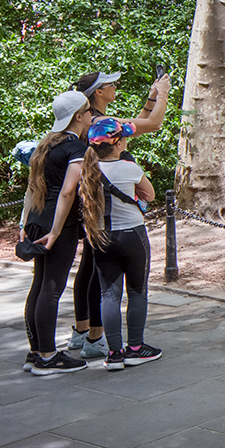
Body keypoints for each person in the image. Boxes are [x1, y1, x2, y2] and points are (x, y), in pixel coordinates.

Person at [64, 69, 171, 357]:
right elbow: (153, 123)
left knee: (92, 271)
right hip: (124, 224)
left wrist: (150, 97)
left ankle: (88, 335)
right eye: (110, 84)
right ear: (98, 92)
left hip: (98, 217)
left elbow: (139, 120)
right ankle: (107, 340)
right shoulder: (102, 123)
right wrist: (163, 93)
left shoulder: (94, 123)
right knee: (122, 287)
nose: (115, 87)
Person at [79, 118, 161, 370]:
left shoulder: (87, 170)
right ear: (117, 144)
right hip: (132, 235)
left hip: (102, 237)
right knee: (137, 291)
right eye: (123, 137)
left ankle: (114, 353)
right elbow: (150, 194)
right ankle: (135, 348)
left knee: (108, 295)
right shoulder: (129, 168)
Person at [22, 90, 93, 375]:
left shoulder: (47, 144)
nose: (91, 115)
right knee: (52, 288)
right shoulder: (76, 148)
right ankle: (49, 357)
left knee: (39, 285)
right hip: (57, 224)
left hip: (37, 218)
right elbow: (67, 193)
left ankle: (36, 352)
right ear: (78, 116)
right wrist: (55, 231)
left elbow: (31, 188)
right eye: (88, 110)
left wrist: (23, 226)